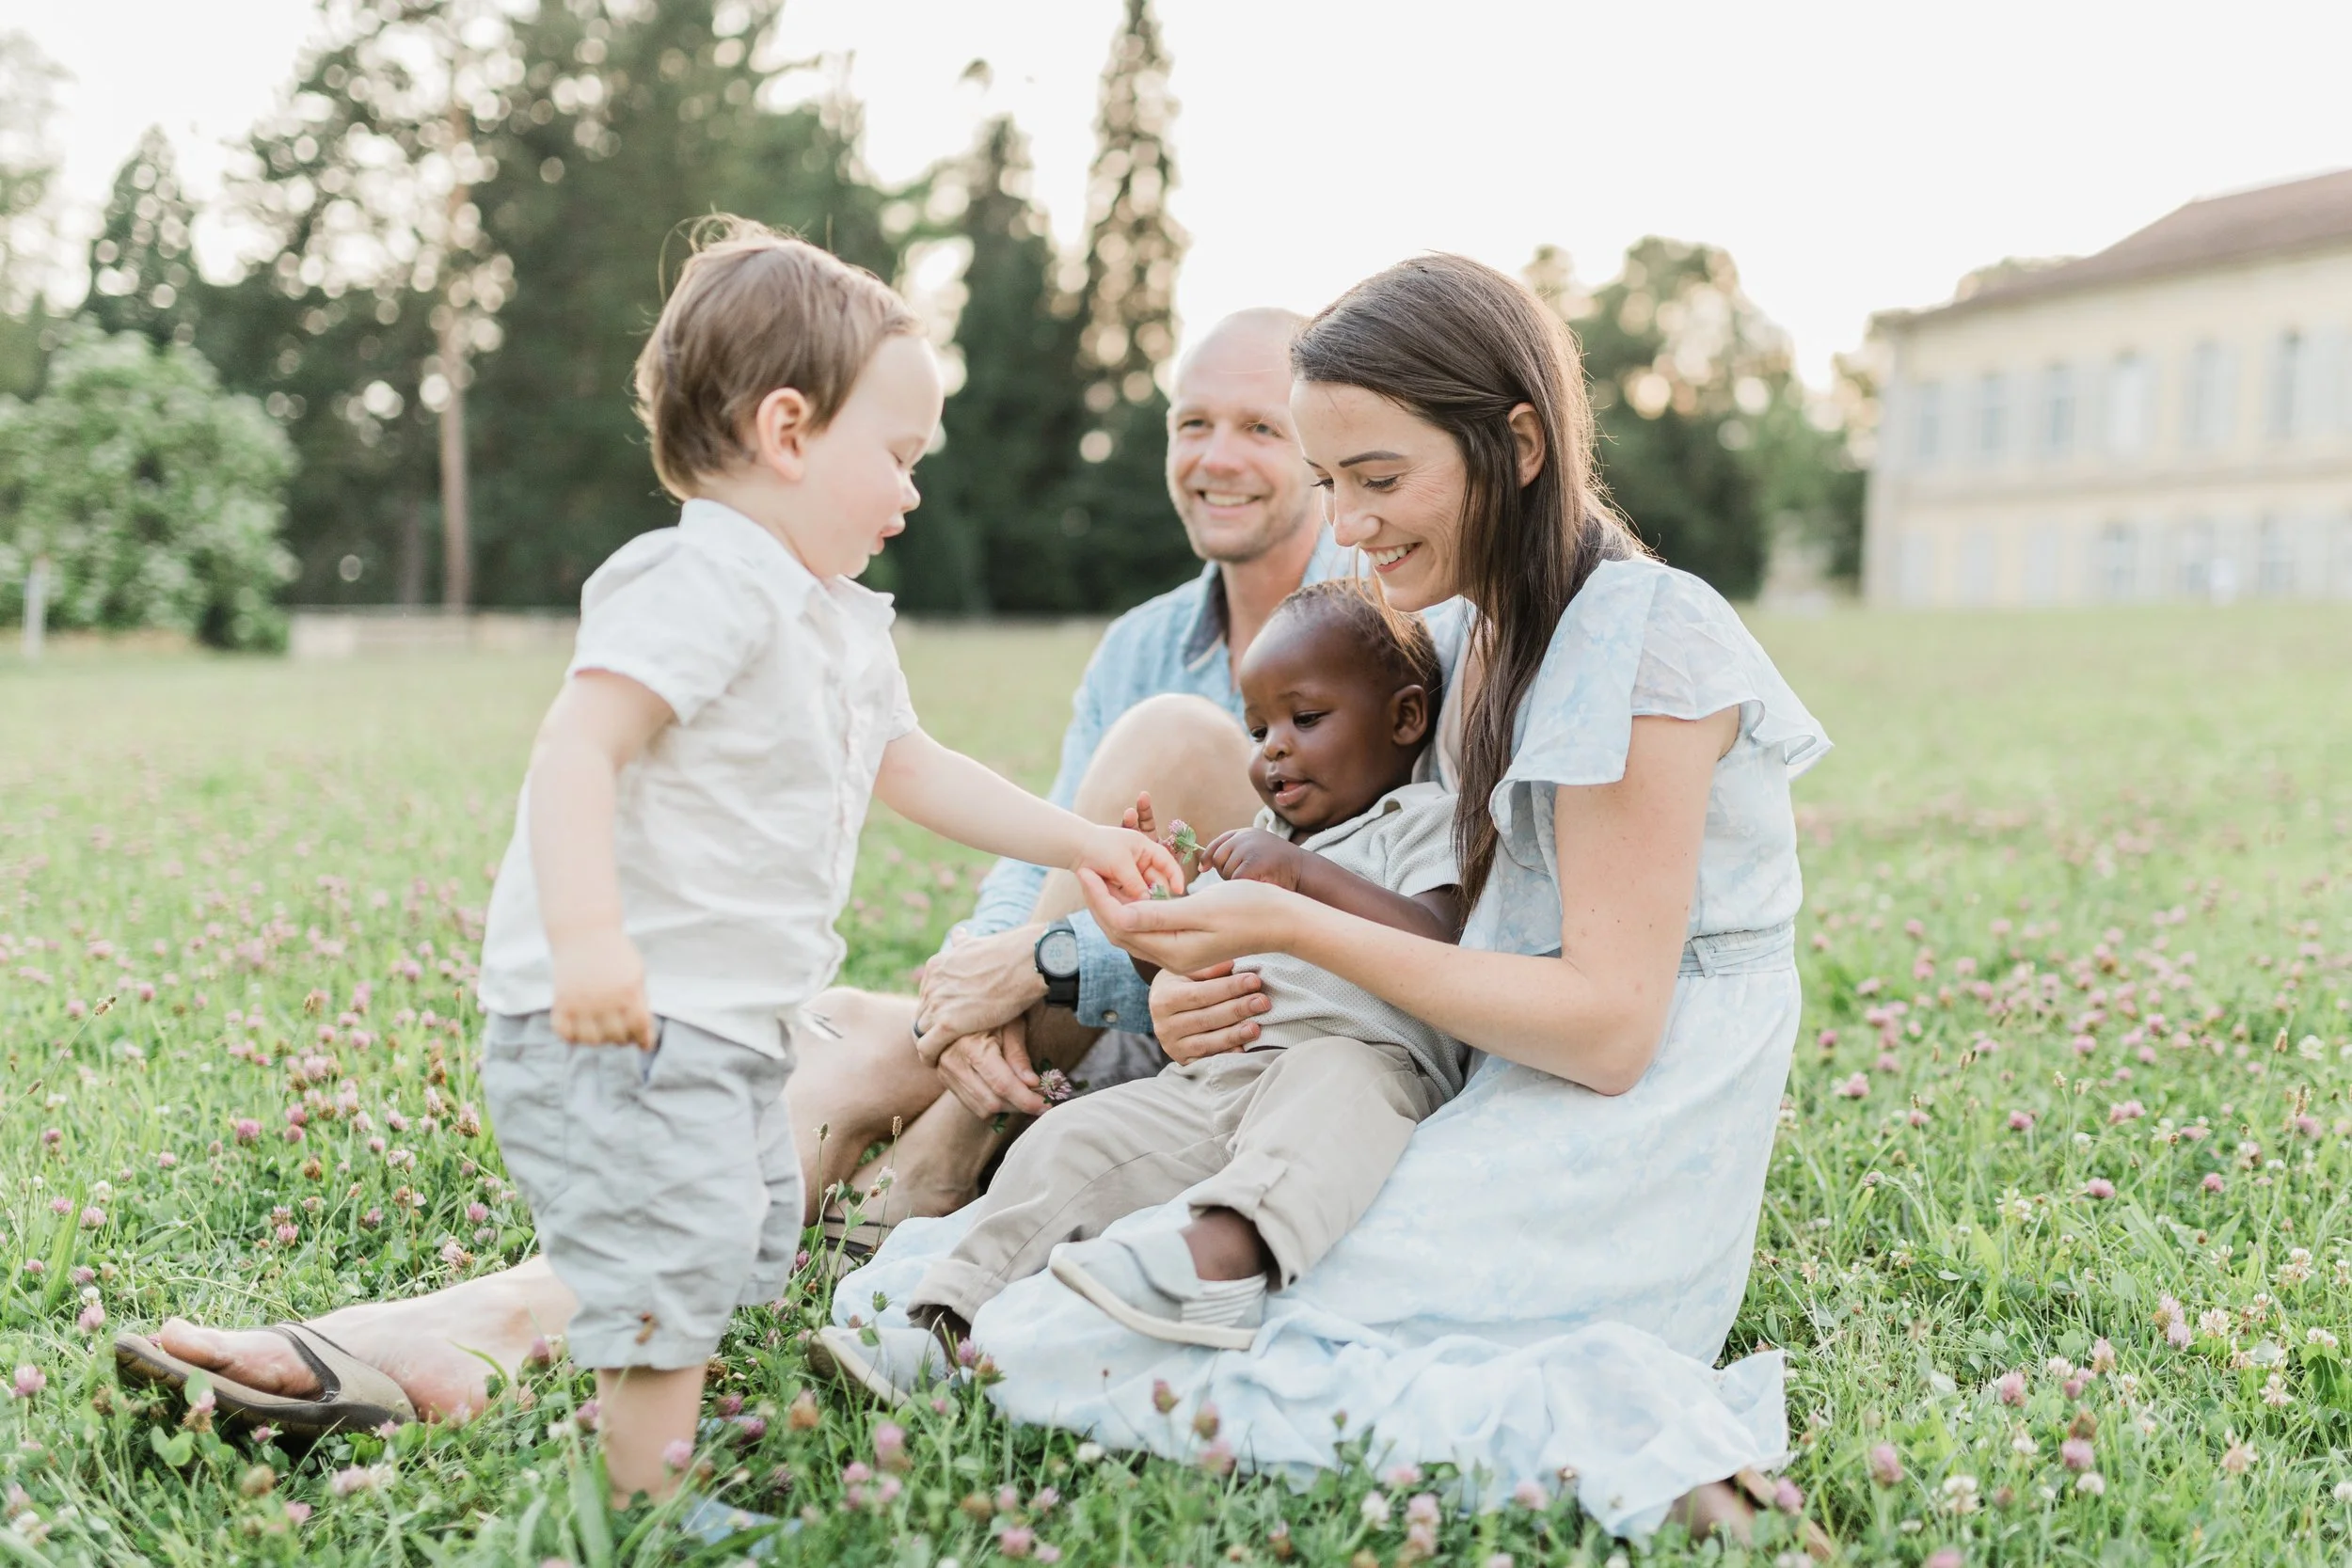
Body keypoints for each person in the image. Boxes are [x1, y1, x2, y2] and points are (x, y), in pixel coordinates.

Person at [116, 307, 1353, 1427]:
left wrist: (1046, 967)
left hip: (1208, 1026)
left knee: (1162, 761)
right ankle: (502, 1317)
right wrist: (977, 983)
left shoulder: (1380, 642)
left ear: (1321, 452)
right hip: (1030, 1011)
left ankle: (919, 1171)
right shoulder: (1139, 639)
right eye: (1194, 422)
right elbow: (994, 847)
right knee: (821, 1043)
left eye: (1259, 426)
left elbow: (1337, 937)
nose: (1218, 454)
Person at [832, 255, 1834, 1553]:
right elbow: (1398, 869)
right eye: (1332, 484)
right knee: (1132, 1268)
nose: (1347, 525)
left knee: (1226, 1322)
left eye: (1379, 479)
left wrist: (1294, 923)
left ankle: (1627, 1431)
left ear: (1516, 442)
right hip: (1479, 1059)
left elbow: (1609, 1024)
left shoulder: (1639, 640)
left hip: (1622, 1122)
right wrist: (1199, 976)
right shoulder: (1471, 628)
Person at [812, 579, 1464, 1396]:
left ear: (1404, 718)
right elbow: (1187, 965)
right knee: (1069, 1140)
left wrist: (1303, 876)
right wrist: (1148, 917)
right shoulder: (1265, 838)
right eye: (1259, 729)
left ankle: (1219, 1265)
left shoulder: (1424, 819)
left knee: (1331, 1099)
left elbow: (1437, 940)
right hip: (1217, 1077)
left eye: (1306, 720)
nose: (1273, 751)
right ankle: (944, 1324)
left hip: (1356, 1063)